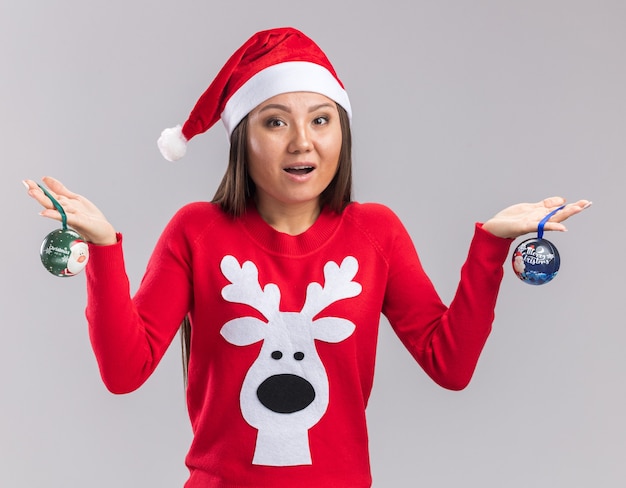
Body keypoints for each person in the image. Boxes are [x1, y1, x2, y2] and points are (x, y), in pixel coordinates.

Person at [23, 27, 590, 488]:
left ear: (340, 132)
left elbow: (450, 365)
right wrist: (101, 251)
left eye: (321, 119)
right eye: (276, 121)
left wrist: (490, 245)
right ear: (242, 137)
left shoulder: (377, 233)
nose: (302, 142)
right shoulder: (195, 231)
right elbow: (125, 373)